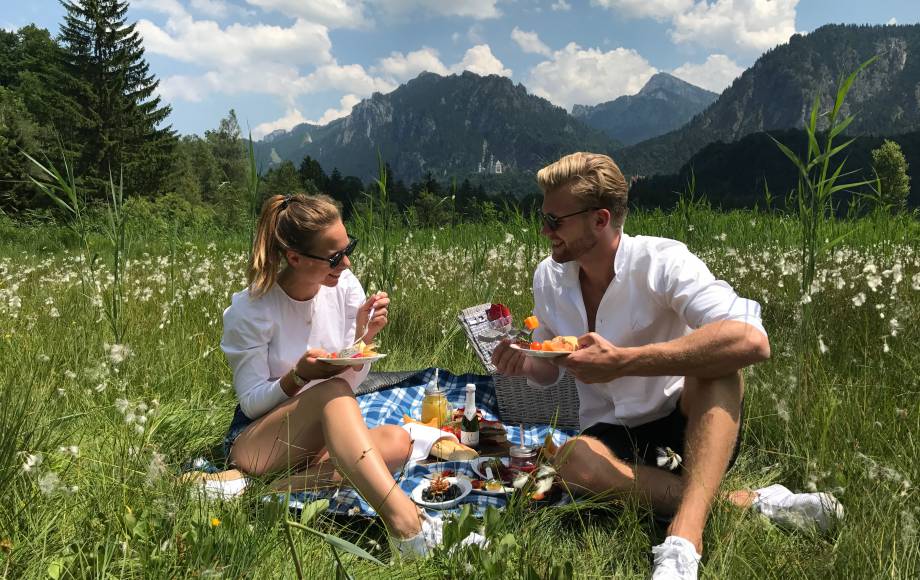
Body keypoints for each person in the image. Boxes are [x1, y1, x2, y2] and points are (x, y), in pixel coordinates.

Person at [491, 153, 843, 579]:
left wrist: (623, 363)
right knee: (568, 461)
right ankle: (745, 502)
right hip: (610, 433)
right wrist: (526, 363)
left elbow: (751, 338)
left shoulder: (662, 262)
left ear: (600, 220)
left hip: (687, 424)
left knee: (720, 367)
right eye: (542, 217)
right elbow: (551, 368)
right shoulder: (548, 277)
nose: (544, 230)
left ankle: (684, 538)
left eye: (554, 220)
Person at [221, 193, 451, 558]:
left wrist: (364, 338)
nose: (345, 263)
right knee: (333, 393)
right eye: (333, 257)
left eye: (348, 249)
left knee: (398, 441)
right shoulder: (251, 310)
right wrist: (297, 377)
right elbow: (250, 404)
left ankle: (260, 489)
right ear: (294, 258)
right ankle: (408, 527)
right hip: (261, 441)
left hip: (318, 441)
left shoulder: (343, 287)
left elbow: (350, 383)